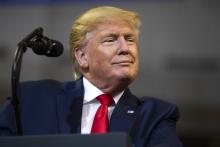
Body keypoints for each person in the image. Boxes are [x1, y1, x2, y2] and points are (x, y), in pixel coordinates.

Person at [0, 6, 183, 147]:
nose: (125, 49)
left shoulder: (155, 115)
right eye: (110, 40)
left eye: (130, 39)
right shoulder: (32, 99)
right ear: (82, 57)